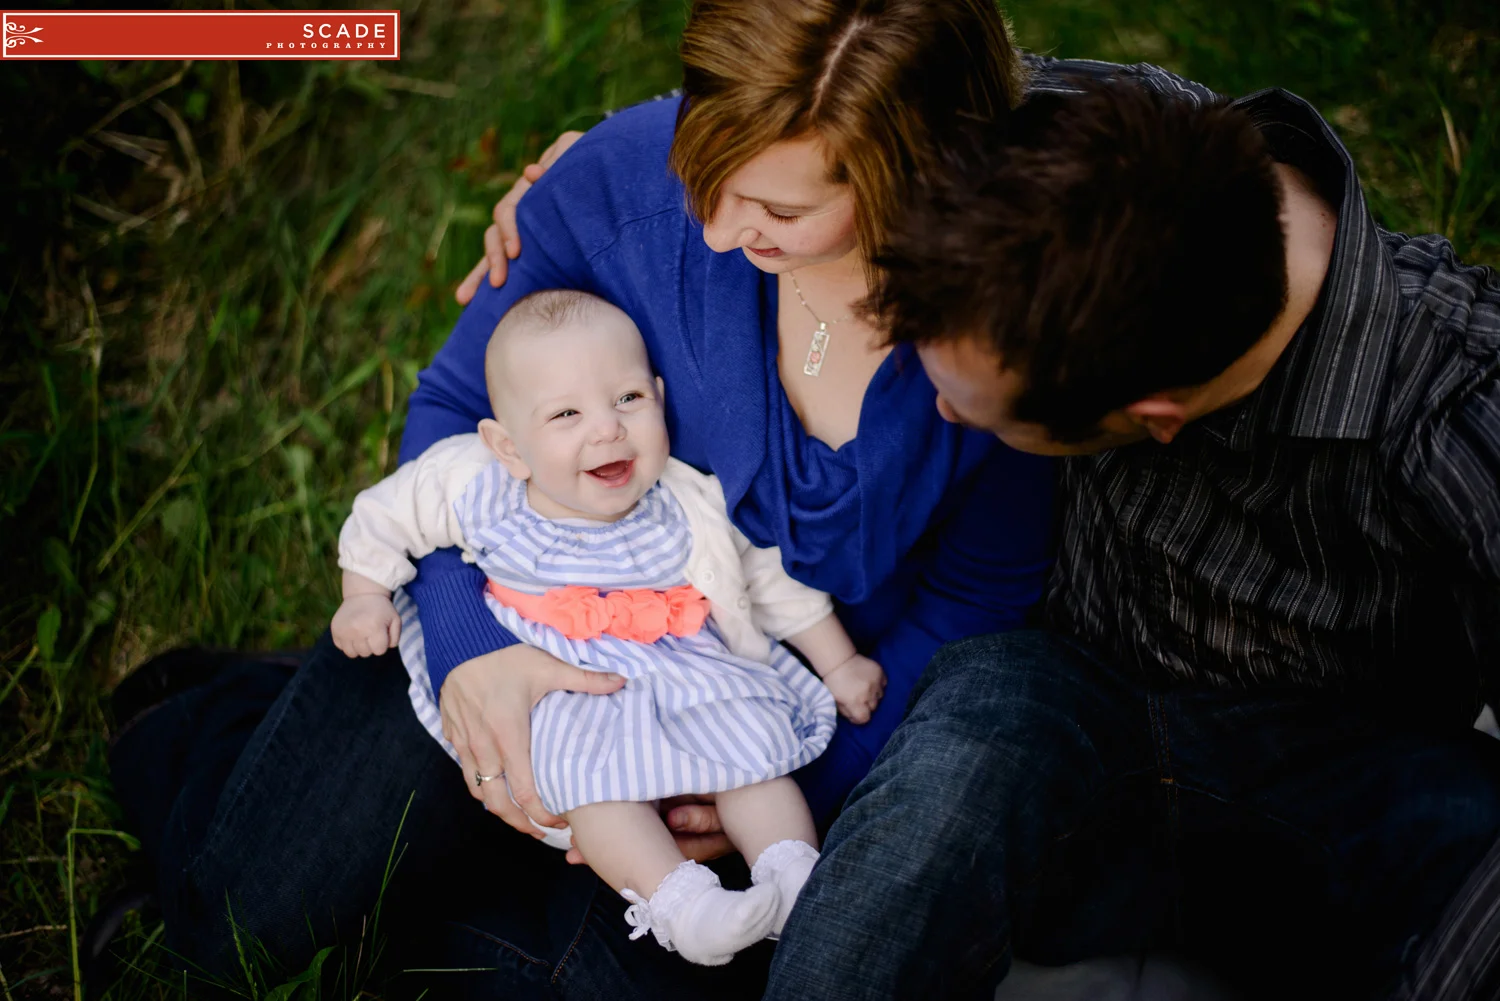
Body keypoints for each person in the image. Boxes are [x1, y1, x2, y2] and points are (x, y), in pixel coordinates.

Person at [105, 1, 1057, 995]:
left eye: (778, 210)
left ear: (909, 174)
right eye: (706, 168)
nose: (723, 229)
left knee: (559, 966)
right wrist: (474, 649)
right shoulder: (630, 175)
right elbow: (457, 408)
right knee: (235, 929)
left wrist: (784, 783)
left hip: (733, 714)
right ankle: (208, 717)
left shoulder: (998, 334)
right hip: (513, 619)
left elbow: (973, 602)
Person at [749, 80, 1500, 1000]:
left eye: (974, 409)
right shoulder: (1070, 133)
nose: (936, 412)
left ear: (1156, 419)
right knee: (985, 711)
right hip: (1063, 727)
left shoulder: (1458, 416)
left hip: (1340, 790)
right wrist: (612, 169)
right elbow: (826, 94)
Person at [333, 288, 885, 963]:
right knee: (597, 799)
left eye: (628, 399)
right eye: (566, 413)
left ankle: (794, 873)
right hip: (570, 695)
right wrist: (364, 593)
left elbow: (770, 584)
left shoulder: (687, 498)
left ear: (658, 394)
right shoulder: (475, 483)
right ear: (508, 445)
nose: (607, 429)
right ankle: (684, 906)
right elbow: (385, 513)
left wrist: (836, 662)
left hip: (690, 674)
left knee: (758, 764)